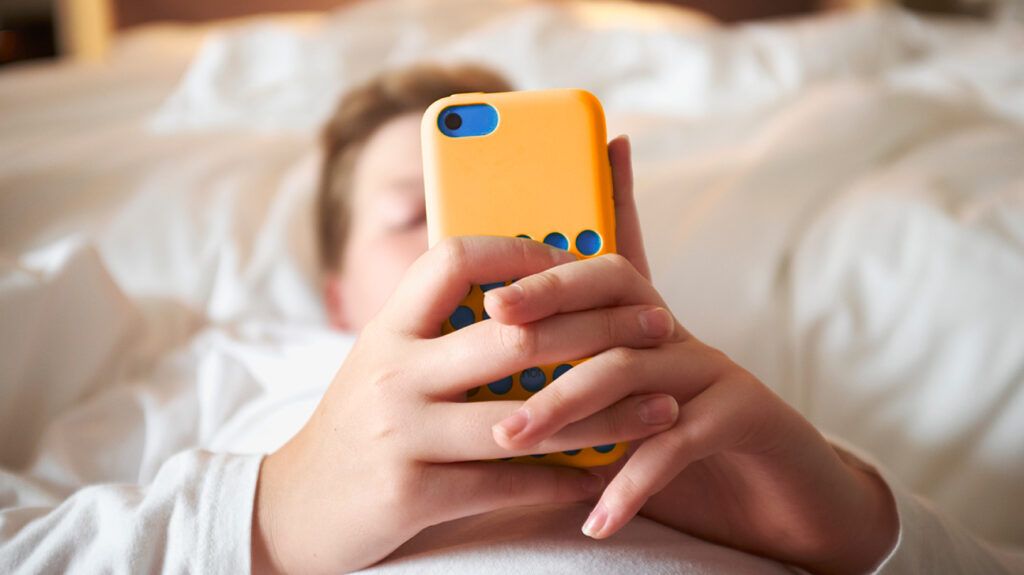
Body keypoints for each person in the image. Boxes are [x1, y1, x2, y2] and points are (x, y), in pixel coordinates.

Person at [1, 63, 1020, 575]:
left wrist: (864, 531)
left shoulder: (703, 400)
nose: (471, 251)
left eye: (494, 210)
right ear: (336, 293)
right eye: (417, 216)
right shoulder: (212, 370)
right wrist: (264, 516)